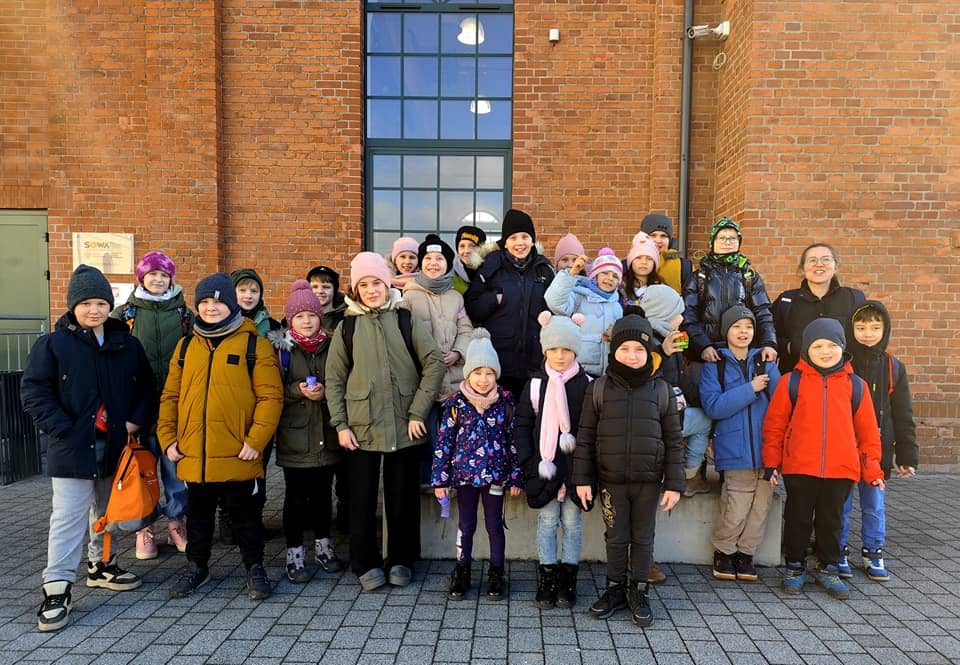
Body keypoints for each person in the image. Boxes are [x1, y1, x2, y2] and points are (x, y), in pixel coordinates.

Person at [22, 265, 155, 632]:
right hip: (72, 448)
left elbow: (146, 387)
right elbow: (34, 391)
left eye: (101, 303)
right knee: (67, 519)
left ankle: (101, 566)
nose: (94, 310)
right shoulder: (53, 344)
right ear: (72, 306)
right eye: (86, 303)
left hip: (115, 446)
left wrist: (133, 422)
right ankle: (57, 588)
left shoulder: (126, 343)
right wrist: (62, 428)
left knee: (106, 511)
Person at [325, 252, 445, 592]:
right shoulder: (347, 326)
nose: (371, 290)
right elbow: (334, 379)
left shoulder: (405, 319)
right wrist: (341, 425)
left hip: (405, 424)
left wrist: (417, 412)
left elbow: (433, 363)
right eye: (363, 284)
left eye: (376, 282)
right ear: (356, 288)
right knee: (361, 499)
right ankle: (365, 563)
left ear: (386, 283)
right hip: (360, 426)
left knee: (402, 497)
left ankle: (401, 560)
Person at [159, 273, 283, 601]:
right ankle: (196, 567)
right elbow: (170, 396)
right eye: (205, 302)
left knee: (246, 517)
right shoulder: (186, 346)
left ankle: (254, 568)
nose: (211, 308)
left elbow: (271, 398)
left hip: (238, 452)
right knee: (198, 517)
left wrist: (255, 441)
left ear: (230, 304)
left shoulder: (255, 343)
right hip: (194, 455)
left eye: (218, 302)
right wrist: (168, 439)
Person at [573, 314, 684, 628]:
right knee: (616, 538)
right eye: (625, 349)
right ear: (614, 352)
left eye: (639, 349)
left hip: (648, 483)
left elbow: (674, 440)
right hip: (611, 482)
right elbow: (585, 437)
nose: (632, 356)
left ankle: (639, 591)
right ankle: (615, 589)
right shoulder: (599, 389)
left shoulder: (662, 390)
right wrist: (582, 479)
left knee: (643, 538)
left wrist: (674, 483)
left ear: (649, 353)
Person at [762, 318, 883, 600]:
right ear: (806, 349)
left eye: (831, 345)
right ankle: (795, 565)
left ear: (842, 347)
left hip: (841, 469)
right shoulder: (791, 382)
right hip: (799, 466)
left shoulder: (856, 386)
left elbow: (868, 434)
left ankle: (828, 566)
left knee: (832, 521)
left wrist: (872, 470)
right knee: (798, 519)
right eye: (817, 345)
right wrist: (772, 462)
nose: (825, 351)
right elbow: (774, 425)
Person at [111, 251, 191, 559]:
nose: (158, 280)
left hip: (174, 410)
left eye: (163, 275)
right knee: (141, 473)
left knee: (175, 473)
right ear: (141, 277)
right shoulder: (125, 314)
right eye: (152, 274)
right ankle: (144, 529)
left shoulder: (184, 314)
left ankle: (175, 522)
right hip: (137, 411)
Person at [432, 331, 521, 601]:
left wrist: (516, 475)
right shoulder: (456, 404)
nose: (483, 380)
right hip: (464, 477)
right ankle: (462, 570)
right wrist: (440, 480)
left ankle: (496, 572)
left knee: (495, 526)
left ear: (496, 375)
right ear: (468, 374)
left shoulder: (505, 404)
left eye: (489, 373)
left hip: (495, 478)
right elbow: (444, 443)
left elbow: (513, 441)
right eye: (477, 373)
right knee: (466, 525)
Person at [268, 280, 345, 583]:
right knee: (296, 498)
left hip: (326, 430)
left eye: (312, 315)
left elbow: (341, 378)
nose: (307, 321)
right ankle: (294, 553)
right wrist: (297, 390)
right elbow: (271, 388)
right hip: (295, 434)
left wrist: (326, 391)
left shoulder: (332, 343)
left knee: (324, 496)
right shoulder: (280, 348)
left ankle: (324, 547)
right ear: (290, 320)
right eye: (300, 317)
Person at [514, 313, 591, 609]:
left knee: (572, 523)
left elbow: (589, 432)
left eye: (567, 349)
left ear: (576, 351)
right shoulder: (535, 384)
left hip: (574, 470)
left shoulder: (586, 384)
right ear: (545, 350)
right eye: (554, 349)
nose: (560, 355)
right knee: (547, 522)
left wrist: (585, 470)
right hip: (542, 467)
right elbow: (522, 424)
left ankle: (568, 579)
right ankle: (546, 578)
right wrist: (528, 460)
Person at [699, 305, 781, 581]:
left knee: (760, 508)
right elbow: (714, 407)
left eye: (748, 327)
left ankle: (746, 554)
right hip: (734, 449)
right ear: (726, 330)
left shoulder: (765, 361)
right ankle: (724, 551)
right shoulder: (716, 365)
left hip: (766, 449)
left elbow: (781, 406)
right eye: (737, 326)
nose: (743, 332)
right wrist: (751, 389)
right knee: (736, 505)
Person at [840, 300, 918, 580]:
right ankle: (838, 549)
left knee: (874, 505)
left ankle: (873, 550)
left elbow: (903, 414)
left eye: (875, 327)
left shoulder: (893, 367)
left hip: (878, 452)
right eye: (861, 328)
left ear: (885, 330)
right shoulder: (842, 363)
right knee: (842, 505)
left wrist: (907, 455)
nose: (868, 333)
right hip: (844, 448)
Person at [403, 235, 474, 483]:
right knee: (427, 440)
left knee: (453, 437)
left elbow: (466, 330)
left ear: (448, 263)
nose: (434, 263)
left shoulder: (456, 297)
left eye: (440, 259)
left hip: (453, 382)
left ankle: (454, 483)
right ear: (421, 263)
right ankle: (428, 487)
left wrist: (458, 352)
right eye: (429, 258)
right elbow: (405, 339)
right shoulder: (408, 297)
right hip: (424, 384)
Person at [464, 208, 555, 396]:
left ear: (532, 240)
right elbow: (472, 309)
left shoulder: (544, 270)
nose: (519, 243)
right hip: (498, 365)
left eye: (524, 237)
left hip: (535, 364)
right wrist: (493, 299)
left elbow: (555, 309)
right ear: (505, 243)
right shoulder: (490, 267)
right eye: (513, 238)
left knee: (529, 420)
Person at [638, 285, 712, 498]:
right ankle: (690, 475)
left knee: (703, 414)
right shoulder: (654, 342)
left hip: (668, 410)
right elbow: (652, 378)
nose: (681, 318)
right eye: (676, 313)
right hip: (657, 417)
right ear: (663, 314)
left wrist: (704, 399)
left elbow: (680, 378)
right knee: (705, 421)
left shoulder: (667, 336)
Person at [681, 217, 777, 363]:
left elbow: (763, 312)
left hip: (742, 353)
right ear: (712, 242)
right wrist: (703, 346)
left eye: (732, 238)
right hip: (708, 354)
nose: (727, 242)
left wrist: (769, 343)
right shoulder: (699, 277)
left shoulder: (749, 276)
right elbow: (689, 315)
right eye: (722, 238)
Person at [771, 243, 865, 373]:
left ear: (835, 266)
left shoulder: (854, 298)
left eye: (826, 259)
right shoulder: (786, 301)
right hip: (797, 379)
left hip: (844, 380)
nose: (819, 264)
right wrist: (789, 347)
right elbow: (769, 336)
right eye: (812, 260)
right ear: (802, 269)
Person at [544, 248, 623, 377]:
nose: (610, 278)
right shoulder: (578, 296)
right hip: (580, 368)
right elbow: (555, 302)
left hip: (608, 370)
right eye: (605, 273)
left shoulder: (617, 306)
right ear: (595, 275)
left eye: (615, 276)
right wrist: (571, 274)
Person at [638, 213, 693, 295]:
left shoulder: (684, 266)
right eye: (653, 235)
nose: (658, 240)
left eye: (663, 236)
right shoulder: (631, 263)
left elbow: (691, 299)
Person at [231, 268, 282, 336]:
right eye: (242, 290)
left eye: (254, 291)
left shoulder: (274, 327)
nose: (248, 296)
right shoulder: (223, 324)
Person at [620, 232, 663, 308]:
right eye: (638, 257)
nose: (644, 262)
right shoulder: (619, 288)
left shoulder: (662, 289)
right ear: (631, 261)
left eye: (649, 258)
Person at [306, 264, 348, 334]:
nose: (320, 291)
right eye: (315, 287)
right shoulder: (297, 317)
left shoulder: (345, 319)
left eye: (326, 287)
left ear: (334, 290)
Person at [452, 225, 486, 295]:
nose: (467, 251)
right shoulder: (448, 276)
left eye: (472, 246)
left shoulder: (491, 273)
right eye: (462, 246)